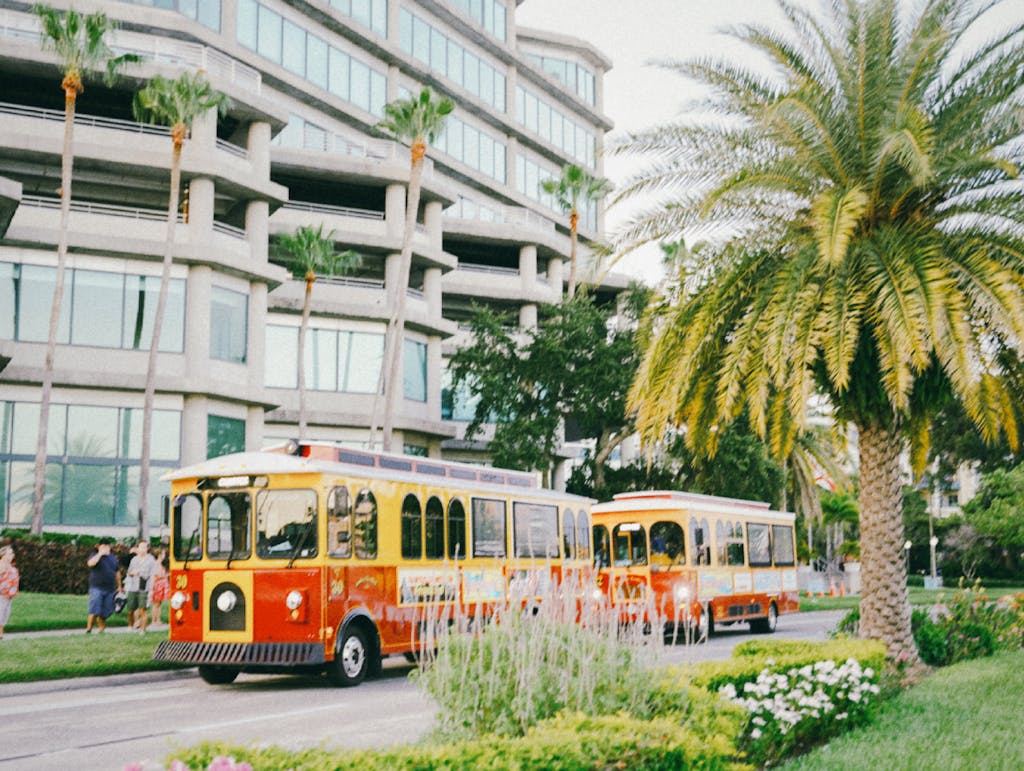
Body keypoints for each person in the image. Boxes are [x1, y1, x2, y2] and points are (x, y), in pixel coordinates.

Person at [86, 539, 121, 633]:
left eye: (107, 546)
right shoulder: (95, 555)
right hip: (97, 587)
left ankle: (101, 629)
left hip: (110, 588)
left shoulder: (113, 558)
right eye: (103, 546)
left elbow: (117, 572)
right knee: (94, 608)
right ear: (99, 546)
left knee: (105, 610)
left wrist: (119, 586)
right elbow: (90, 564)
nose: (105, 548)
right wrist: (100, 554)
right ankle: (89, 628)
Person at [124, 541, 157, 634]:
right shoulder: (134, 559)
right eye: (140, 547)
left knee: (143, 609)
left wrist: (151, 589)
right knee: (130, 609)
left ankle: (143, 629)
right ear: (137, 549)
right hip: (133, 586)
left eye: (144, 547)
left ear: (147, 549)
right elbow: (129, 572)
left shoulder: (151, 560)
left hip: (144, 587)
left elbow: (153, 575)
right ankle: (130, 626)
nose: (142, 549)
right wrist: (132, 573)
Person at [0, 545, 19, 639]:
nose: (12, 555)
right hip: (1, 594)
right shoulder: (1, 565)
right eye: (10, 553)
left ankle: (1, 633)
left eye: (12, 553)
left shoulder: (10, 566)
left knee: (4, 614)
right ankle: (0, 634)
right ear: (3, 555)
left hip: (8, 595)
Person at [149, 548, 170, 627]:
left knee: (159, 604)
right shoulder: (156, 564)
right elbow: (158, 574)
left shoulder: (161, 564)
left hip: (161, 585)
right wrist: (166, 575)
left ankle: (158, 620)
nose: (165, 555)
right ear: (160, 555)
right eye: (164, 554)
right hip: (157, 585)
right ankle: (153, 621)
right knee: (155, 604)